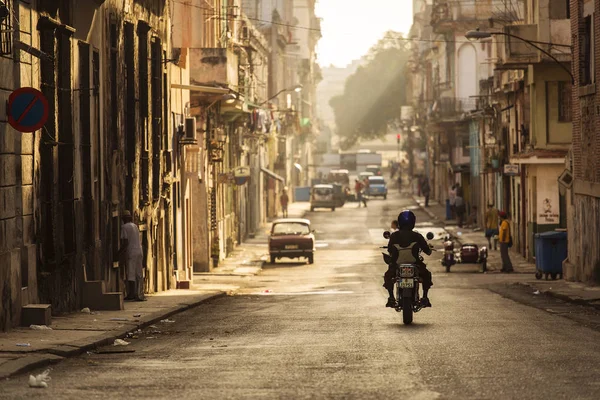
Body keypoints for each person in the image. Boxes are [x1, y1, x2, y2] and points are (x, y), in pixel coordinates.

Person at [383, 210, 433, 308]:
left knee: (388, 276)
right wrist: (429, 249)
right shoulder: (417, 236)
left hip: (397, 265)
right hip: (415, 265)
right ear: (413, 222)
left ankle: (391, 297)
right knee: (427, 275)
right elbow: (427, 251)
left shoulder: (394, 236)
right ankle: (425, 297)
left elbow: (390, 250)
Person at [119, 210, 146, 301]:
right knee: (138, 273)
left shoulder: (124, 227)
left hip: (131, 252)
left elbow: (125, 242)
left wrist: (119, 252)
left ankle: (131, 294)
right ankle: (140, 294)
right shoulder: (135, 226)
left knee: (130, 273)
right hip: (139, 251)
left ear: (124, 219)